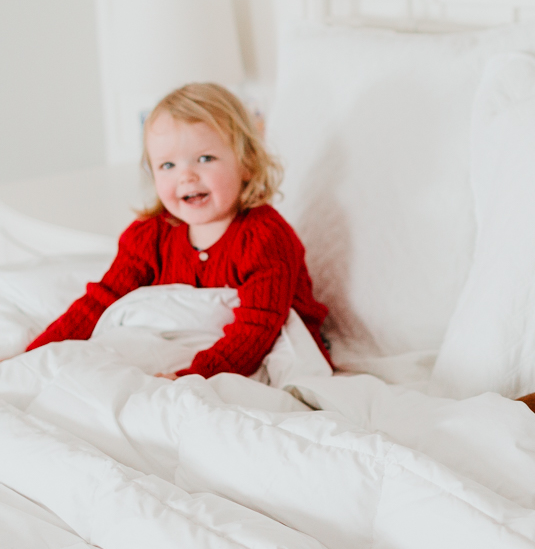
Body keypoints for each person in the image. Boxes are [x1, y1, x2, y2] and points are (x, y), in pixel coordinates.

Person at [26, 82, 331, 379]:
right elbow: (100, 302)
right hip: (180, 349)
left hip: (252, 354)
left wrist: (191, 378)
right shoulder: (150, 235)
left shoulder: (264, 237)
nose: (186, 175)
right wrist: (33, 356)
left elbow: (257, 330)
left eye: (205, 158)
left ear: (246, 164)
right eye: (168, 165)